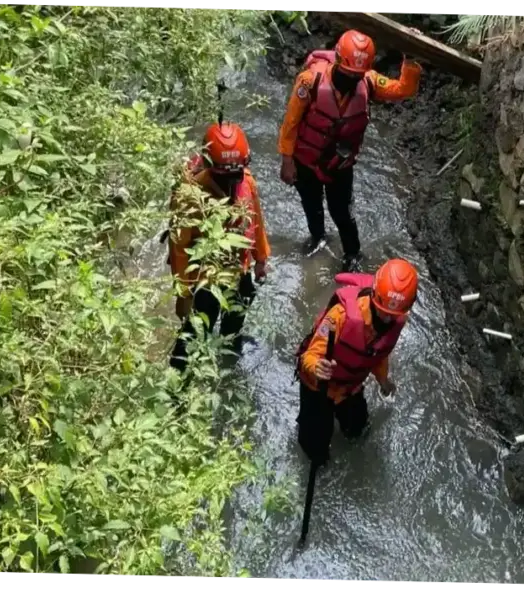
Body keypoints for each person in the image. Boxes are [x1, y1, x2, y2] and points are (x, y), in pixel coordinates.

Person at [278, 30, 423, 272]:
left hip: (340, 165)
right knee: (311, 205)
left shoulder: (369, 81)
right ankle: (317, 238)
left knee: (343, 212)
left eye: (357, 75)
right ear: (336, 61)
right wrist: (286, 160)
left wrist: (410, 63)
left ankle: (353, 254)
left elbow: (402, 90)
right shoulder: (309, 81)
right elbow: (290, 123)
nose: (352, 79)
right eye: (348, 74)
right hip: (305, 160)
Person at [294, 258, 419, 466]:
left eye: (393, 315)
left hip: (348, 387)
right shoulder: (340, 316)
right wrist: (317, 367)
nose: (387, 318)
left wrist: (383, 381)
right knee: (315, 450)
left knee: (358, 430)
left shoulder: (397, 319)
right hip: (318, 385)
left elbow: (379, 353)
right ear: (374, 296)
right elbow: (310, 355)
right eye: (384, 312)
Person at [167, 122, 270, 371]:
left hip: (239, 268)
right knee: (194, 334)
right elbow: (179, 250)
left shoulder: (246, 182)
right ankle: (177, 386)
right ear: (211, 167)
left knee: (238, 313)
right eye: (226, 175)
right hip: (205, 280)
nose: (233, 181)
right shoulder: (190, 196)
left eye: (237, 173)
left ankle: (228, 361)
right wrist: (184, 294)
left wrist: (262, 259)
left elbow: (255, 220)